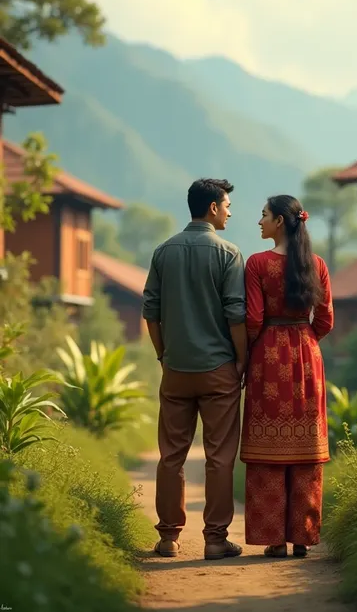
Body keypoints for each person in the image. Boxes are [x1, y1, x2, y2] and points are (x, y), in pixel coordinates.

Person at [142, 178, 247, 561]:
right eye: (228, 205)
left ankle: (169, 538)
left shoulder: (163, 251)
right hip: (219, 369)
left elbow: (150, 310)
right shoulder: (228, 253)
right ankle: (215, 540)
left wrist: (163, 354)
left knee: (172, 454)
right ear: (214, 208)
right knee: (219, 457)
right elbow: (236, 313)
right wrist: (241, 360)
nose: (231, 212)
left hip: (175, 368)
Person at [240, 194, 333, 558]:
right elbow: (325, 320)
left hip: (267, 355)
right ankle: (303, 538)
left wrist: (249, 354)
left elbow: (252, 318)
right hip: (308, 358)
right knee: (306, 449)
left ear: (279, 221)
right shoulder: (318, 264)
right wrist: (305, 338)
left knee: (268, 450)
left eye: (263, 215)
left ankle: (274, 540)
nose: (259, 221)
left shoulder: (257, 264)